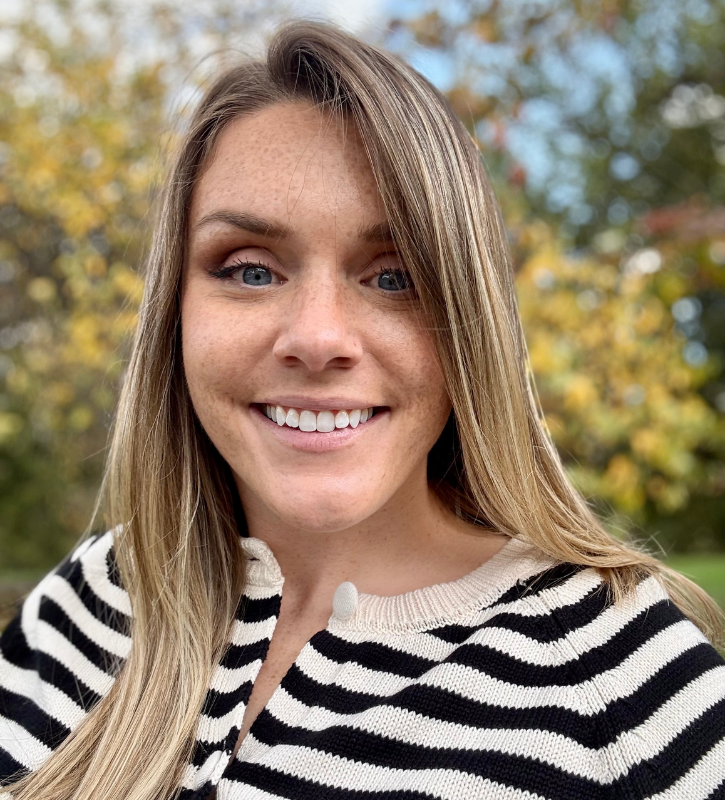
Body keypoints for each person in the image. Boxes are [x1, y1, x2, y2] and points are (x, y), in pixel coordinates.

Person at [1, 18, 724, 800]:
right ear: (173, 311)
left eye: (393, 277)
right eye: (248, 271)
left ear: (471, 324)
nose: (317, 339)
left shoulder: (622, 688)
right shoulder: (98, 595)